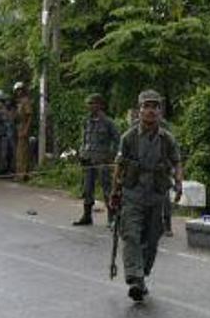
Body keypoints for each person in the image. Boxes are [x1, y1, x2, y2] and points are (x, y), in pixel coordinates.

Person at [111, 90, 182, 302]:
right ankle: (134, 277)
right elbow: (119, 165)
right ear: (139, 111)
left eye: (155, 107)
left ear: (160, 112)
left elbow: (177, 161)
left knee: (150, 241)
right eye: (146, 106)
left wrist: (179, 183)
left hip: (156, 196)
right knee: (131, 235)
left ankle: (141, 277)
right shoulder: (129, 138)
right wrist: (115, 192)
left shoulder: (166, 139)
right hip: (133, 194)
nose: (150, 111)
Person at [73, 93, 119, 227]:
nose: (89, 106)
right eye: (88, 103)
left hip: (102, 160)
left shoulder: (108, 122)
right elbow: (84, 139)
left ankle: (112, 218)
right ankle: (87, 216)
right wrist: (81, 153)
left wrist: (111, 156)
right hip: (88, 160)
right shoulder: (86, 121)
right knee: (87, 188)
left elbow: (117, 140)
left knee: (107, 189)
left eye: (92, 103)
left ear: (99, 105)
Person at [13, 82, 33, 181]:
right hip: (19, 127)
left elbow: (29, 116)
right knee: (19, 152)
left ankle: (22, 174)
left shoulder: (26, 101)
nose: (18, 92)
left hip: (24, 127)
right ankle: (20, 173)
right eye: (17, 90)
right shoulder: (19, 102)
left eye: (20, 90)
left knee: (22, 152)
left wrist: (26, 129)